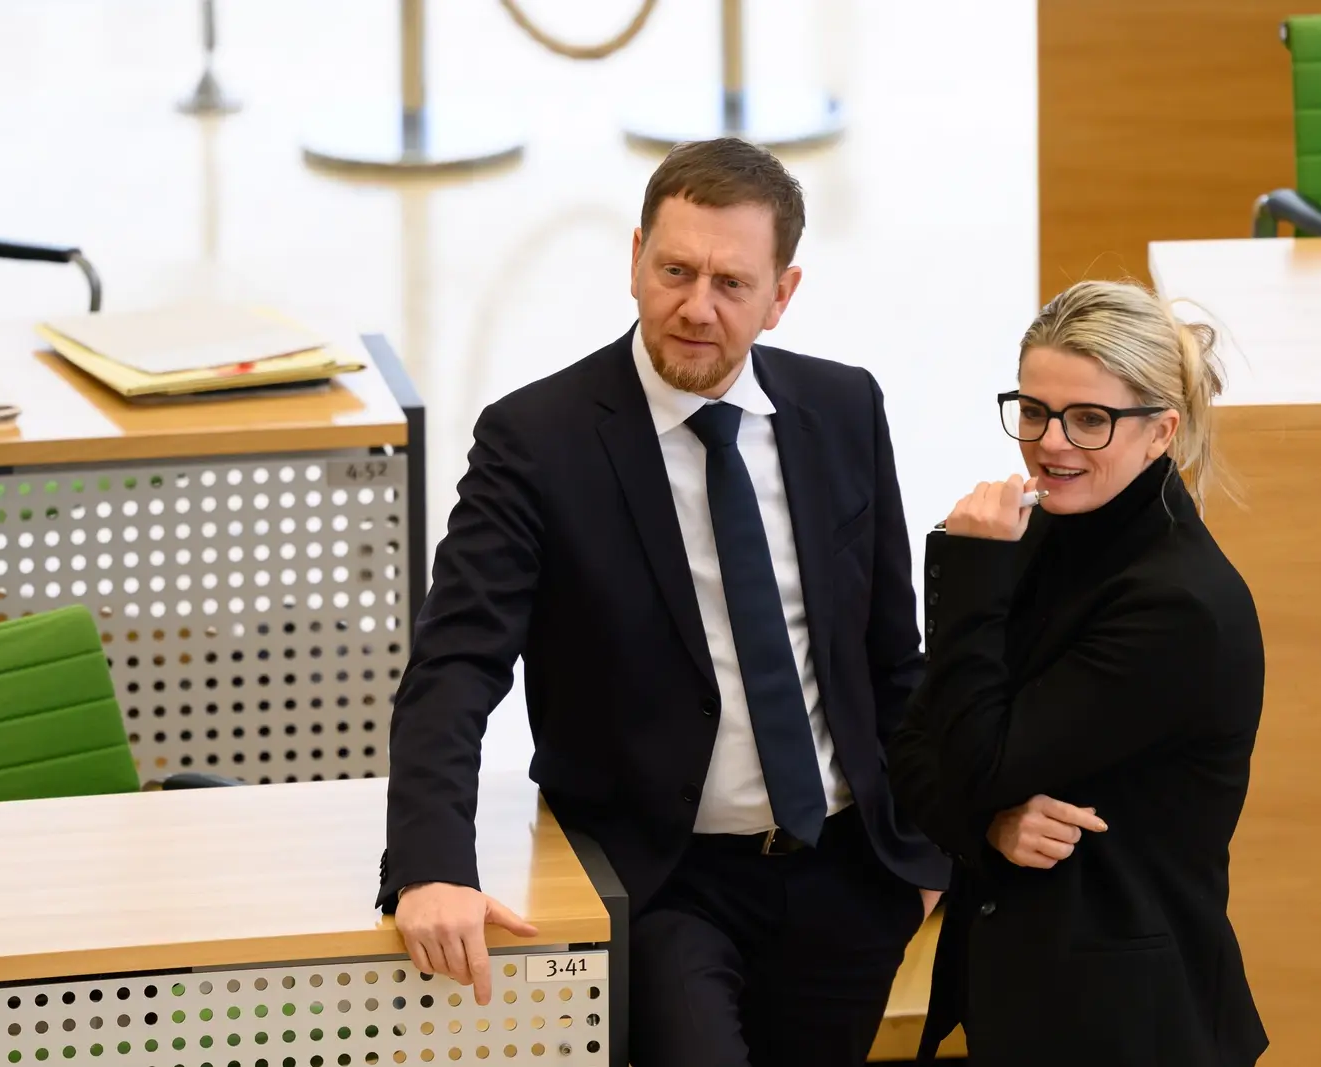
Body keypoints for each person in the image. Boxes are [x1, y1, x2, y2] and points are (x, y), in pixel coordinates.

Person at [377, 136, 949, 1067]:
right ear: (634, 256)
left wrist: (928, 847)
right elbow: (454, 667)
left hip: (846, 870)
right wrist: (433, 863)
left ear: (783, 294)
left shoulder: (844, 407)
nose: (695, 307)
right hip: (662, 877)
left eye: (731, 283)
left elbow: (894, 657)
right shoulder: (537, 440)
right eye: (674, 269)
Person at [887, 281, 1269, 1066]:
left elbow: (975, 758)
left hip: (1127, 1020)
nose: (1050, 442)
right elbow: (912, 751)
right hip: (1030, 997)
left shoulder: (1177, 605)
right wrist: (990, 826)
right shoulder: (1041, 532)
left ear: (1161, 431)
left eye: (1089, 419)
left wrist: (968, 573)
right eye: (1033, 411)